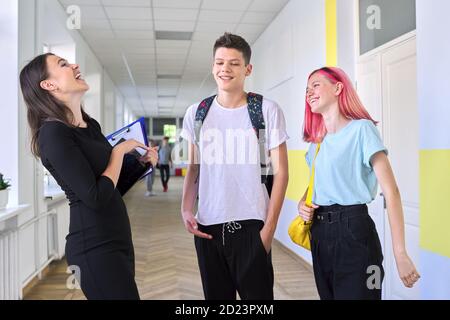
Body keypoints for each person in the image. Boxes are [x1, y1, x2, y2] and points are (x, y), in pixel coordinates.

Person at [19, 53, 158, 300]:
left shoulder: (90, 126)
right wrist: (118, 152)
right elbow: (94, 197)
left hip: (118, 239)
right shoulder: (52, 134)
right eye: (63, 64)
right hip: (94, 247)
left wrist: (140, 163)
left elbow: (111, 187)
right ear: (49, 85)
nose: (74, 65)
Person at [180, 33, 289, 300]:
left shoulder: (265, 110)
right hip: (208, 227)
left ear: (247, 69)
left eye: (233, 63)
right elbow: (194, 167)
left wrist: (269, 230)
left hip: (252, 226)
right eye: (219, 62)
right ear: (212, 66)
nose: (224, 69)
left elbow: (282, 172)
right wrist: (185, 207)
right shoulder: (197, 113)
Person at [298, 66, 420, 300]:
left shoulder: (362, 130)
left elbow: (392, 192)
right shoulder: (316, 143)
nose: (309, 92)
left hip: (354, 232)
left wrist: (400, 252)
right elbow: (315, 186)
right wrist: (302, 204)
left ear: (337, 87)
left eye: (315, 85)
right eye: (306, 89)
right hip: (320, 234)